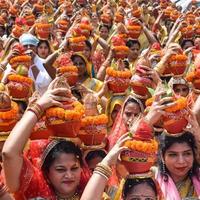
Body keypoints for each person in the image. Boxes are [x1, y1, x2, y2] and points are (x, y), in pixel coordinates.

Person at [2, 79, 90, 199]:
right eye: (60, 169)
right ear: (47, 171)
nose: (69, 175)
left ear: (81, 167)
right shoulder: (36, 185)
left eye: (74, 168)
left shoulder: (87, 185)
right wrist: (38, 107)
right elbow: (9, 153)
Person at [156, 132, 200, 199]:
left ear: (194, 154)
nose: (181, 161)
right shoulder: (152, 178)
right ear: (162, 157)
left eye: (187, 154)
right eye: (173, 155)